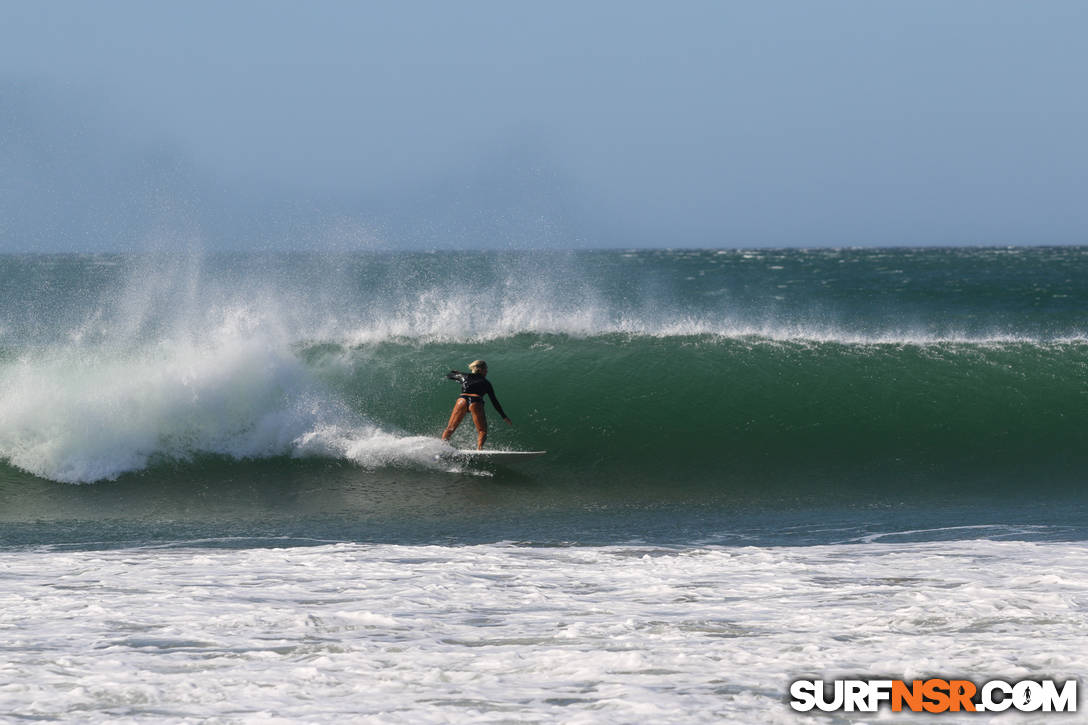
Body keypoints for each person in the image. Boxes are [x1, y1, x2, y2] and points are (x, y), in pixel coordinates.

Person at [442, 360, 512, 449]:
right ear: (480, 370)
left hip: (462, 400)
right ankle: (479, 449)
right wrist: (504, 416)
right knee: (482, 431)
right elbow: (494, 401)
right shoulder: (486, 383)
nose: (487, 371)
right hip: (476, 401)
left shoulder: (464, 376)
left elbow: (449, 375)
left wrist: (458, 374)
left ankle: (442, 447)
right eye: (486, 369)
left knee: (450, 428)